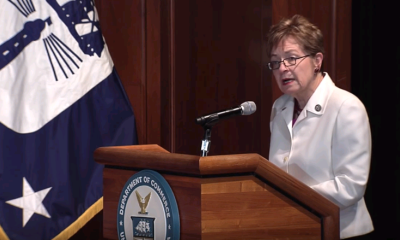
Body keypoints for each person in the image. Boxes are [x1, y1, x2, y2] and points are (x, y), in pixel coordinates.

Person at [266, 15, 373, 239]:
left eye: (291, 58)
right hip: (294, 229)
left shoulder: (346, 106)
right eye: (276, 62)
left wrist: (291, 201)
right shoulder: (280, 107)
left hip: (341, 232)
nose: (282, 68)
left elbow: (351, 185)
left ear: (317, 60)